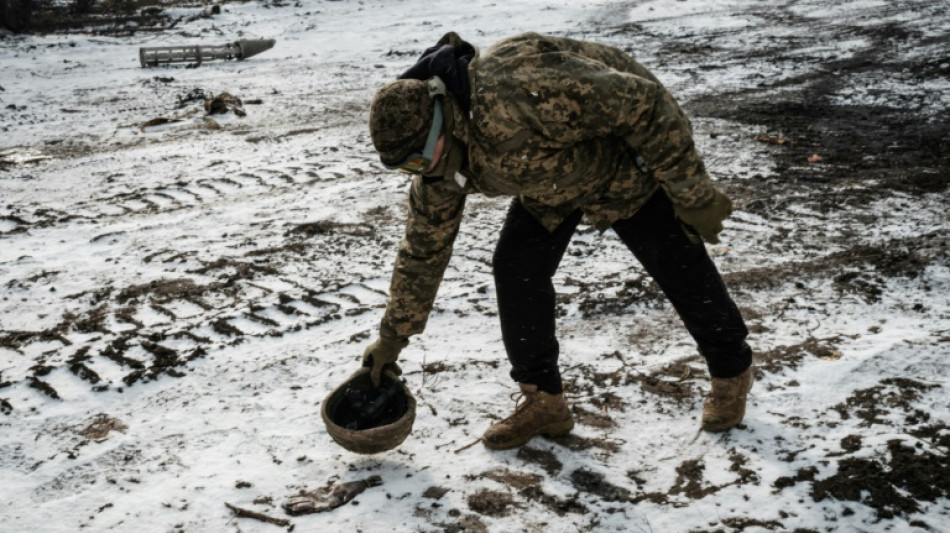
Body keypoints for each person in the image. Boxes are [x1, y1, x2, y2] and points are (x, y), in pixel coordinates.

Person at [361, 31, 754, 450]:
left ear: (442, 119)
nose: (420, 172)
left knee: (674, 258)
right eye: (405, 168)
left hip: (620, 155)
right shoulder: (439, 167)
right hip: (550, 175)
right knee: (516, 268)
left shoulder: (514, 89)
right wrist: (392, 339)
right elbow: (423, 251)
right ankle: (543, 401)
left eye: (419, 159)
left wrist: (693, 193)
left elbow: (644, 103)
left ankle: (731, 370)